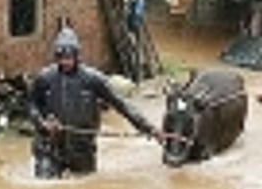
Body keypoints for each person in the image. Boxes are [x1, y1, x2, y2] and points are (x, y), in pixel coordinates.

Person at [28, 25, 162, 178]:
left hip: (82, 147)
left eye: (69, 58)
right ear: (56, 57)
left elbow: (121, 104)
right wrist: (42, 123)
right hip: (50, 145)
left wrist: (149, 128)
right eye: (61, 58)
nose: (65, 62)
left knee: (84, 188)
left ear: (77, 56)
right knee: (45, 186)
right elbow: (32, 105)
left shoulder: (93, 79)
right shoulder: (44, 78)